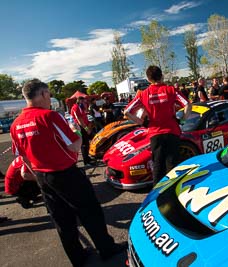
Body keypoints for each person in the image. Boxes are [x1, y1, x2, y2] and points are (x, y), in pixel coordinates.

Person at [10, 79, 126, 267]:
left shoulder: (16, 124)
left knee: (61, 219)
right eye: (48, 94)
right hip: (65, 173)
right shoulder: (49, 116)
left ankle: (77, 257)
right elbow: (74, 144)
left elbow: (22, 157)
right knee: (90, 210)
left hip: (41, 176)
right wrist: (77, 132)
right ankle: (106, 248)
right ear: (42, 94)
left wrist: (38, 176)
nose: (50, 98)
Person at [124, 66, 192, 186]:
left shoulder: (143, 94)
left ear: (148, 79)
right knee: (173, 165)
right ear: (161, 76)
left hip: (155, 133)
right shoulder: (171, 90)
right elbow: (187, 105)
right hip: (172, 131)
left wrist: (142, 123)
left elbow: (127, 112)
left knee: (158, 166)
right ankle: (173, 192)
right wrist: (182, 121)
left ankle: (157, 194)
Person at [71, 96, 93, 167]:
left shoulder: (80, 108)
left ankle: (87, 158)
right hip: (81, 128)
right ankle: (86, 162)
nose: (85, 103)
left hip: (84, 127)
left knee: (87, 143)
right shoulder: (76, 107)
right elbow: (79, 120)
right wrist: (87, 129)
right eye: (83, 102)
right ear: (80, 101)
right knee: (84, 144)